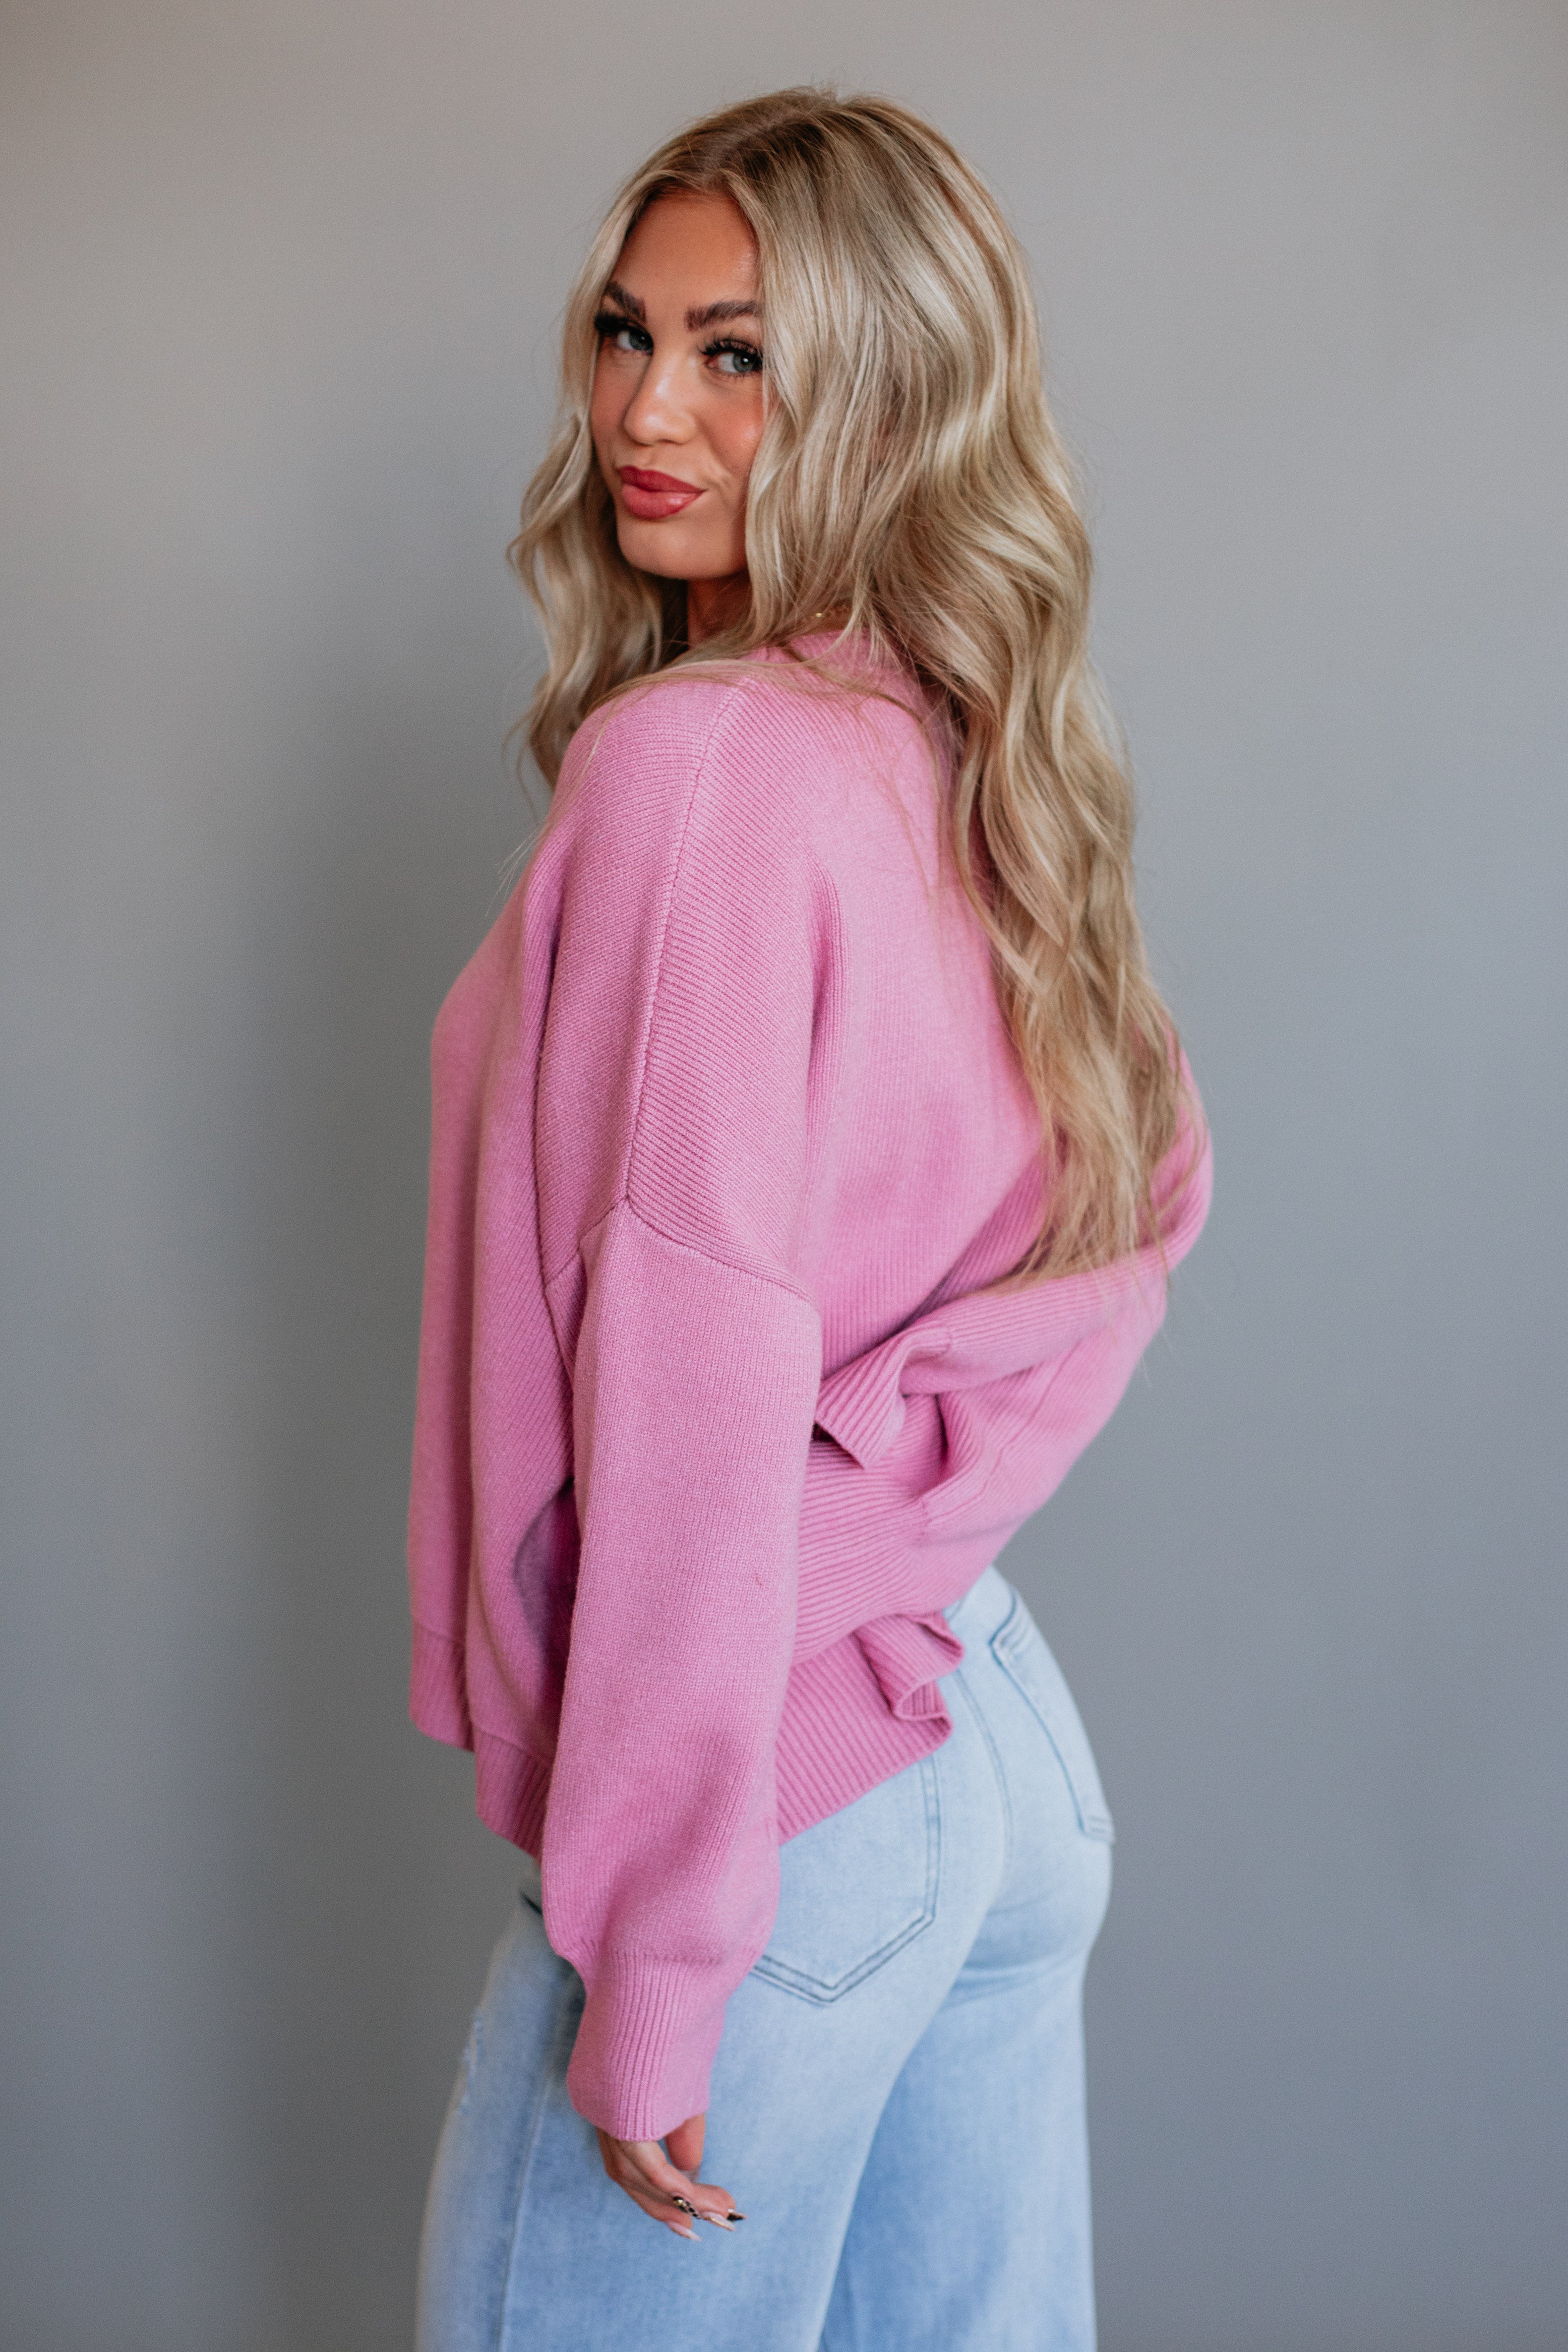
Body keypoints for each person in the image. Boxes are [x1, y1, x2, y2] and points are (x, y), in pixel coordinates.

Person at [407, 86, 1209, 2352]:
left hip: (766, 1820)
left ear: (885, 388)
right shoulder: (964, 752)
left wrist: (663, 1950)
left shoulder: (697, 770)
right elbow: (1141, 1204)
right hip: (982, 1734)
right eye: (625, 332)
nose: (644, 411)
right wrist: (884, 1529)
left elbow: (689, 1391)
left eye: (735, 354)